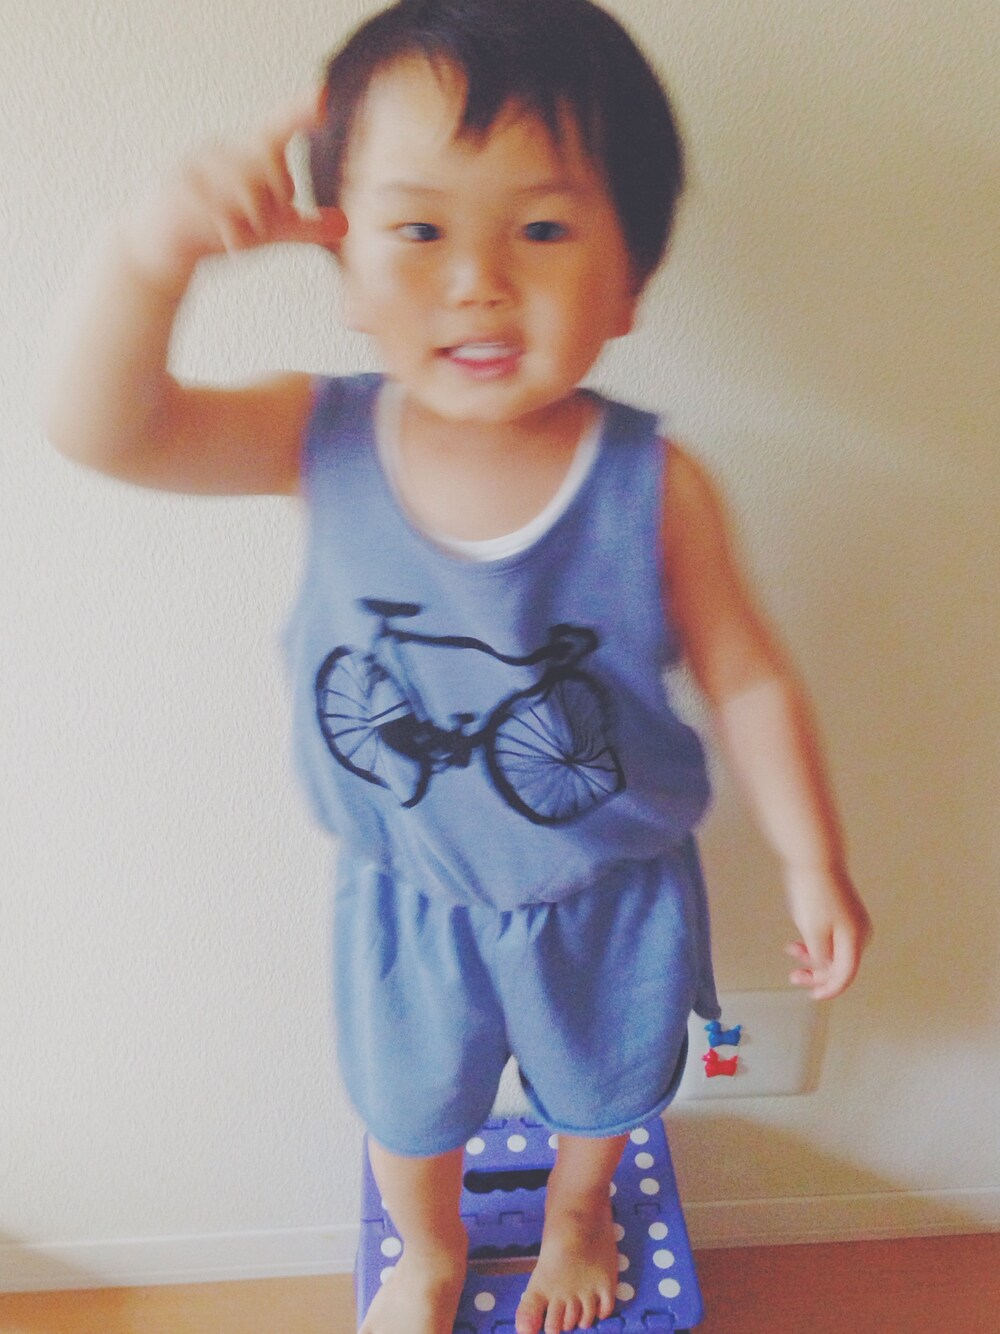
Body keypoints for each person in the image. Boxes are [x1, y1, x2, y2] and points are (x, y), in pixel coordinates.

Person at [41, 2, 872, 1331]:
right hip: (407, 891)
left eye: (540, 229)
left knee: (607, 1088)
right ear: (345, 259)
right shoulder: (316, 436)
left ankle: (580, 1213)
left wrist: (813, 857)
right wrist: (155, 249)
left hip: (608, 889)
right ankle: (428, 1252)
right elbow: (105, 427)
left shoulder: (656, 485)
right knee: (409, 1105)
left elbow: (748, 675)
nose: (477, 279)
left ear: (631, 279)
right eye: (421, 230)